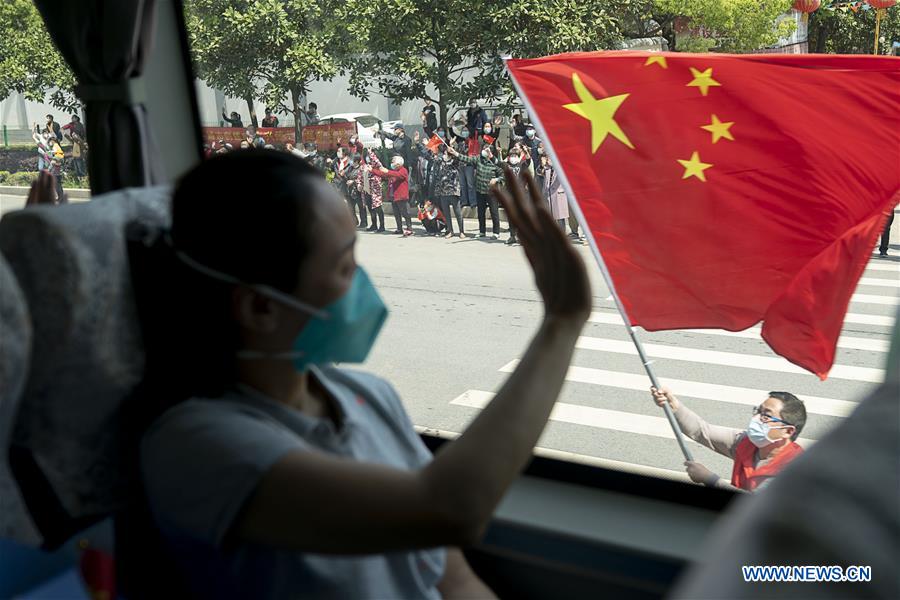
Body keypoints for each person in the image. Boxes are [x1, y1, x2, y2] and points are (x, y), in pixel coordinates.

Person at [137, 151, 591, 599]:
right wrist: (562, 321)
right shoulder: (197, 446)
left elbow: (451, 577)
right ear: (260, 307)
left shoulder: (368, 395)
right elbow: (450, 509)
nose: (362, 280)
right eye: (343, 266)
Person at [650, 387, 806, 492]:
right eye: (758, 411)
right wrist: (674, 406)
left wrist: (709, 479)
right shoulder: (745, 442)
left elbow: (754, 508)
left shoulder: (794, 472)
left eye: (766, 415)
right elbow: (701, 431)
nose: (757, 418)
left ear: (787, 431)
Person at [448, 144, 503, 239]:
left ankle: (496, 232)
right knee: (481, 212)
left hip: (492, 192)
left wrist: (497, 180)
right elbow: (467, 159)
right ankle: (482, 231)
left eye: (487, 150)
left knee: (494, 212)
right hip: (480, 190)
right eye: (484, 149)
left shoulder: (495, 162)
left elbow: (503, 174)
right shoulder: (478, 159)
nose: (484, 151)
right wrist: (455, 153)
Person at [416, 133, 464, 239]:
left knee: (457, 212)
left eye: (448, 153)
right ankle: (450, 231)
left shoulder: (454, 162)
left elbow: (459, 155)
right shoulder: (439, 161)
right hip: (442, 191)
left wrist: (452, 146)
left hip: (453, 190)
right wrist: (420, 144)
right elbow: (427, 155)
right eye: (446, 153)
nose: (446, 154)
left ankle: (461, 231)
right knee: (446, 212)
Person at [372, 155, 413, 236]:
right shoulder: (393, 171)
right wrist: (373, 170)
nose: (392, 163)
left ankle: (409, 228)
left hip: (401, 196)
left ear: (399, 163)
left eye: (393, 162)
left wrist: (387, 171)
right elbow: (383, 174)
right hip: (393, 196)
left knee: (405, 213)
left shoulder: (403, 170)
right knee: (397, 214)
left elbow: (397, 175)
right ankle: (399, 228)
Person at [356, 150, 386, 232]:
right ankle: (374, 224)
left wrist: (371, 153)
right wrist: (359, 184)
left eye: (369, 156)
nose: (368, 158)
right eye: (367, 156)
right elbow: (359, 177)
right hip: (366, 190)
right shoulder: (363, 166)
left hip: (375, 190)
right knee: (370, 208)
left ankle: (382, 226)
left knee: (378, 208)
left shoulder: (376, 166)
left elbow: (377, 162)